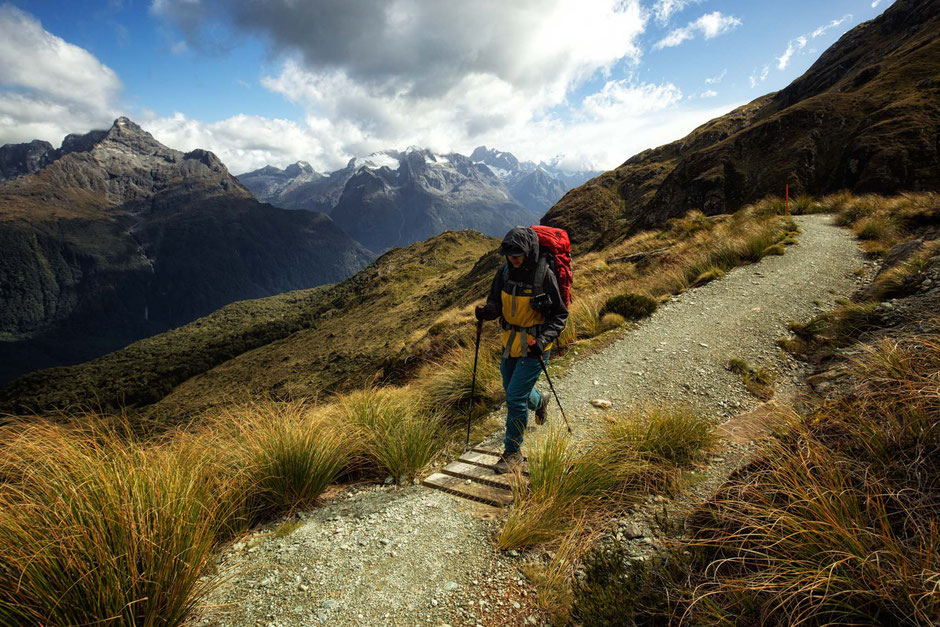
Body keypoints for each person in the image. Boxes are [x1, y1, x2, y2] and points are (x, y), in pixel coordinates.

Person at [475, 226, 568, 474]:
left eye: (518, 256)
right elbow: (496, 302)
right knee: (512, 390)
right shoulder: (504, 272)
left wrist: (541, 341)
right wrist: (487, 312)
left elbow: (560, 316)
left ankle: (513, 453)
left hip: (535, 347)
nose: (514, 260)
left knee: (514, 397)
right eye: (510, 256)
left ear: (528, 252)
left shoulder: (544, 275)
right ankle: (540, 401)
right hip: (510, 343)